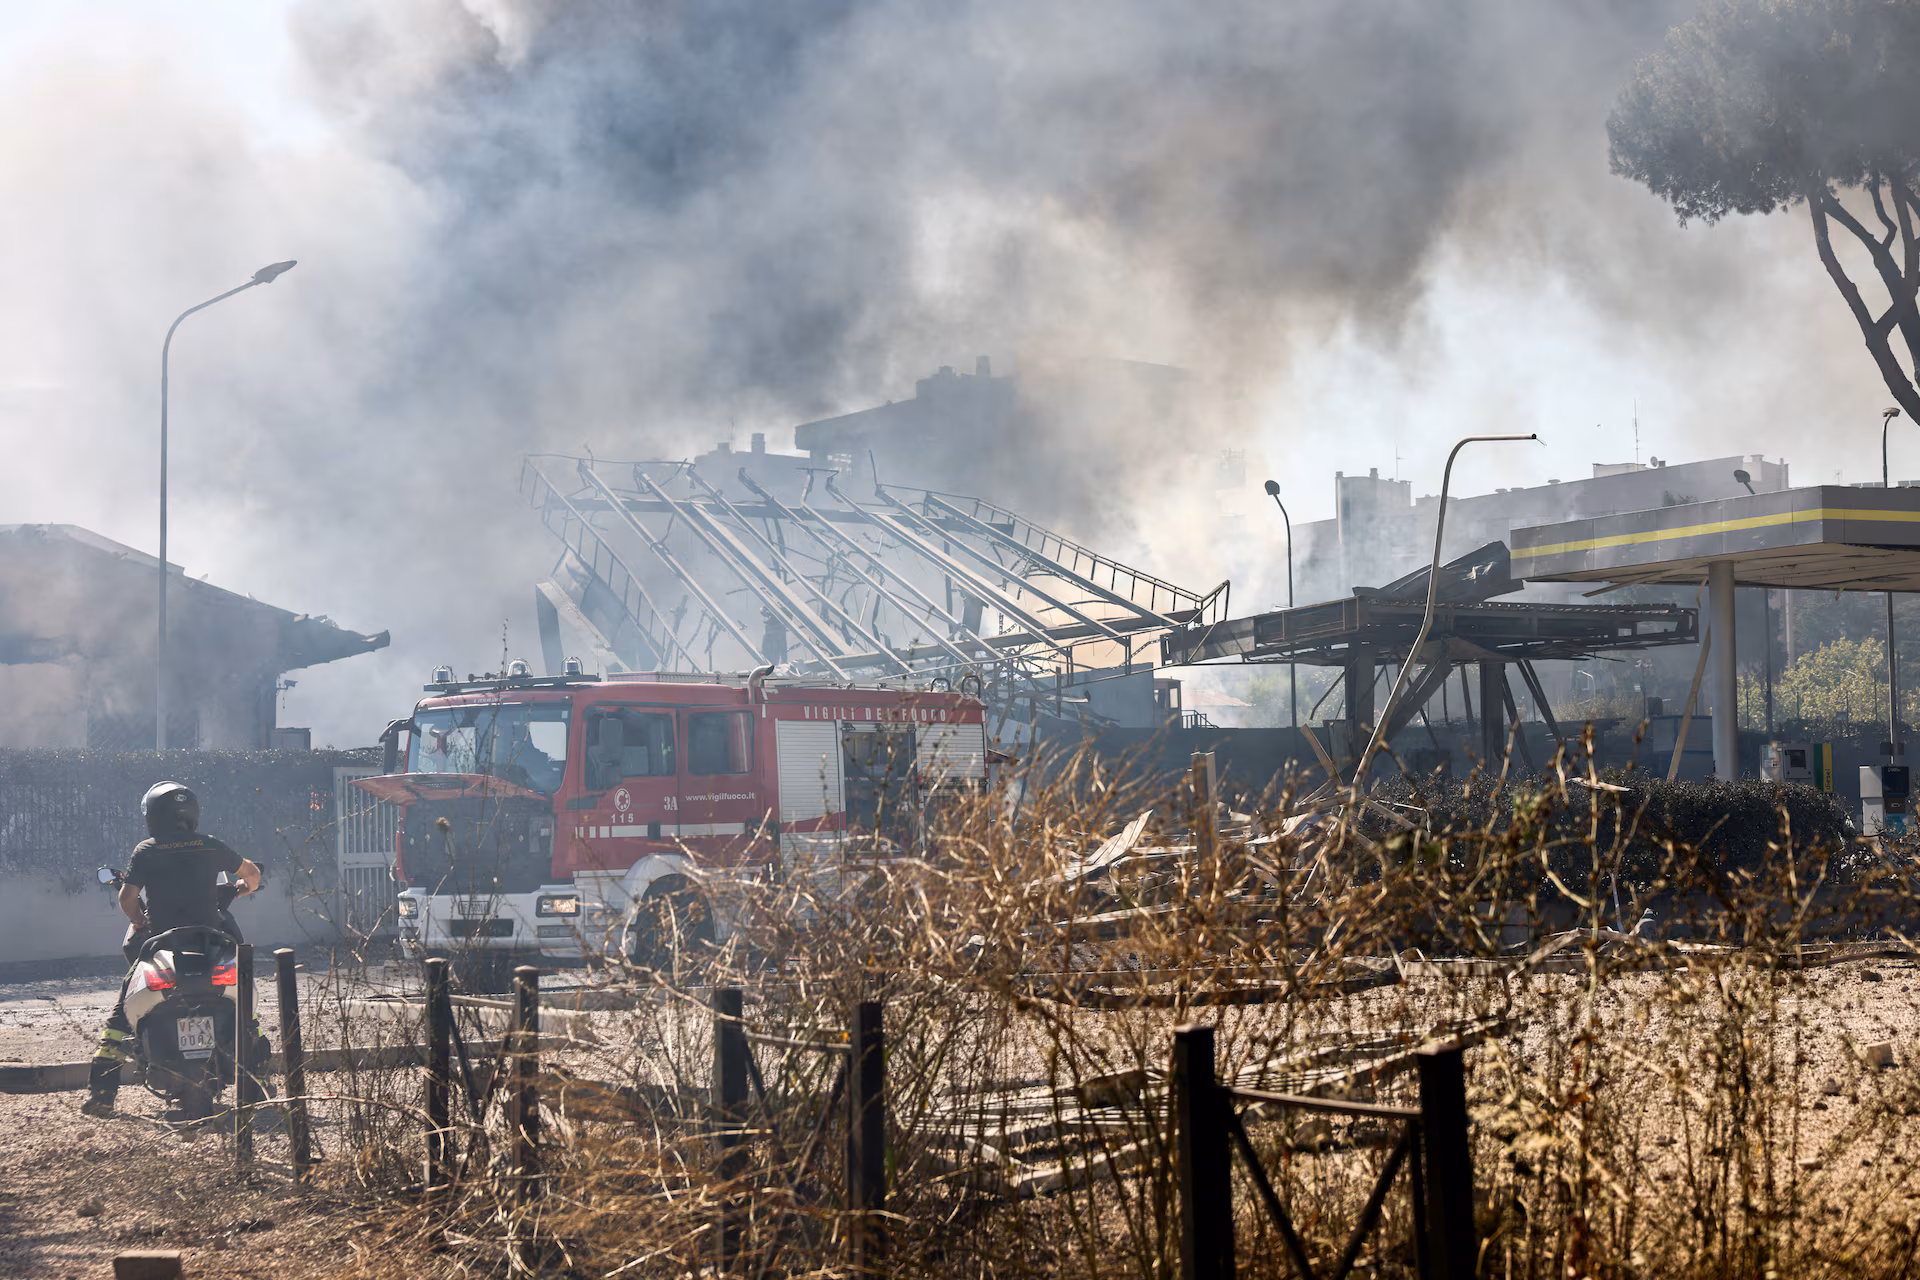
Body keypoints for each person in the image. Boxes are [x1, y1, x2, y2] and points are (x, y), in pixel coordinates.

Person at [82, 782, 261, 1118]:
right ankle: (260, 1077)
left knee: (123, 1012)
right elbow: (251, 874)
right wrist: (244, 888)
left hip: (163, 944)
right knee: (245, 1003)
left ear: (152, 815)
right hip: (210, 940)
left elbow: (127, 898)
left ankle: (103, 1095)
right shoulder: (211, 845)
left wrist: (139, 923)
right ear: (192, 814)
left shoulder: (147, 850)